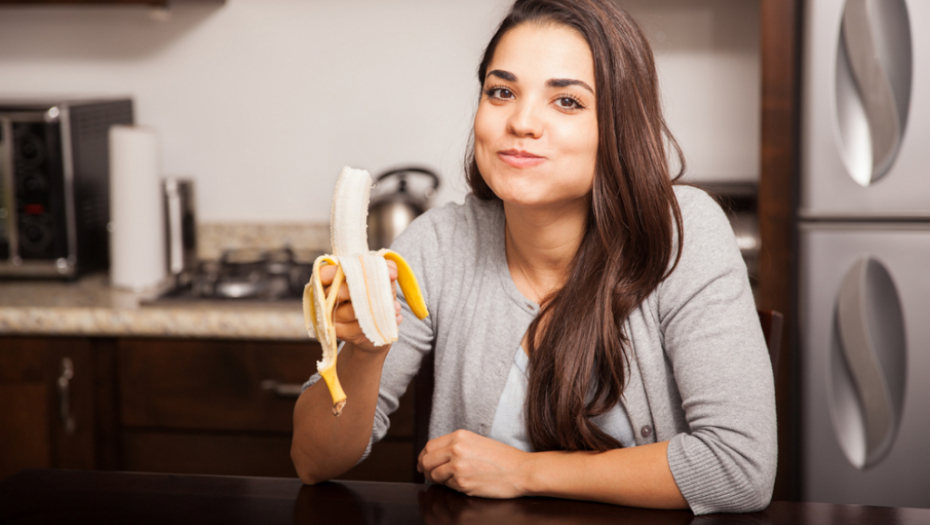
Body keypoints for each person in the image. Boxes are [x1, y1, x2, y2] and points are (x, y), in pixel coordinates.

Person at [291, 0, 776, 515]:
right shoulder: (438, 244)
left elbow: (739, 468)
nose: (521, 122)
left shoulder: (684, 232)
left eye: (566, 101)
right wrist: (366, 352)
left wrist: (523, 472)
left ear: (618, 126)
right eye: (501, 92)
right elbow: (314, 462)